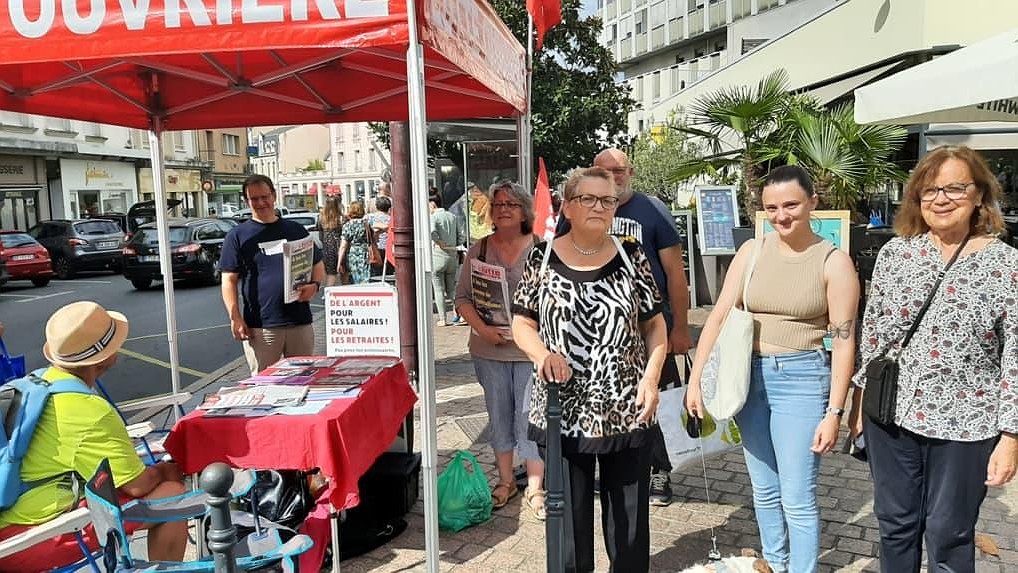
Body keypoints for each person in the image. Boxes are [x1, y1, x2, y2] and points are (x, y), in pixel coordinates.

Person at [850, 146, 1018, 573]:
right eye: (929, 190)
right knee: (895, 525)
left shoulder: (1006, 264)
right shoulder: (896, 255)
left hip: (968, 423)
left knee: (949, 531)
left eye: (954, 188)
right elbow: (873, 337)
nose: (940, 199)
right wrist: (858, 406)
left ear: (979, 195)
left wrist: (1011, 438)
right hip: (892, 416)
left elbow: (1015, 354)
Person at [685, 165, 859, 573]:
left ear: (813, 202)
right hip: (748, 378)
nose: (782, 215)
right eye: (772, 207)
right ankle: (776, 565)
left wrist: (835, 412)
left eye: (791, 205)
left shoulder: (833, 262)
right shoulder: (752, 251)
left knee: (797, 495)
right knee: (763, 489)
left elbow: (845, 340)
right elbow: (719, 315)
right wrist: (696, 378)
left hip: (801, 379)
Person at [512, 167, 667, 572]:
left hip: (626, 409)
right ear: (568, 205)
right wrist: (541, 354)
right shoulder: (541, 255)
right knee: (568, 532)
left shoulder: (632, 254)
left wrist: (652, 378)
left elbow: (655, 325)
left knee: (629, 528)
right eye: (590, 199)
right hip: (562, 410)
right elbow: (521, 322)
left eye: (608, 200)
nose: (600, 207)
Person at [0, 301, 188, 570]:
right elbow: (137, 486)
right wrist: (165, 471)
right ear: (104, 357)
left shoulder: (37, 383)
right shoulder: (90, 410)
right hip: (27, 539)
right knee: (173, 495)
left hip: (11, 517)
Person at [584, 147, 694, 506]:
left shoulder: (653, 212)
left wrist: (681, 328)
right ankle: (614, 463)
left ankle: (660, 470)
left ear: (630, 172)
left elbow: (677, 275)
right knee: (606, 396)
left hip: (650, 325)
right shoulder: (581, 209)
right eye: (604, 170)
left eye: (619, 170)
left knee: (658, 399)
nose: (613, 176)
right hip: (598, 328)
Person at [454, 181, 545, 519]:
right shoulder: (478, 250)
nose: (503, 209)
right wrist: (483, 329)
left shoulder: (541, 249)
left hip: (529, 352)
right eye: (497, 204)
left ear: (524, 210)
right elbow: (461, 298)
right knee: (499, 416)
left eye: (511, 204)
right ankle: (506, 482)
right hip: (488, 349)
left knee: (529, 418)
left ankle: (536, 486)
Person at [220, 174, 325, 375]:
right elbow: (228, 280)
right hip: (261, 327)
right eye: (254, 199)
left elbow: (317, 265)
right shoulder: (237, 236)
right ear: (246, 201)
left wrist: (315, 286)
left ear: (274, 196)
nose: (261, 203)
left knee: (304, 380)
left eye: (264, 196)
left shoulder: (295, 229)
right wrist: (235, 317)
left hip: (299, 321)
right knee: (264, 385)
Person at [430, 193, 465, 326]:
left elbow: (432, 232)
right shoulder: (452, 216)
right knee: (452, 289)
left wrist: (439, 242)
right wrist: (453, 245)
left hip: (438, 255)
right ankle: (461, 314)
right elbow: (462, 236)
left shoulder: (433, 217)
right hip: (452, 256)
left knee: (439, 289)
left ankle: (442, 318)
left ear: (432, 204)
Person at [339, 201, 372, 285]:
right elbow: (373, 239)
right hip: (365, 252)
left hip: (352, 254)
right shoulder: (366, 224)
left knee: (354, 278)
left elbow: (343, 246)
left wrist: (339, 262)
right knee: (366, 277)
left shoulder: (347, 225)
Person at [319, 197, 344, 288]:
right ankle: (344, 290)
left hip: (327, 246)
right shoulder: (340, 217)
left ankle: (328, 290)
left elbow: (320, 234)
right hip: (339, 245)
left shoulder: (322, 217)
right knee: (343, 271)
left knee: (330, 272)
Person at [367, 196, 392, 276]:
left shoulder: (369, 218)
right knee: (388, 274)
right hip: (388, 249)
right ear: (389, 207)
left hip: (374, 250)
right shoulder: (391, 219)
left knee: (375, 275)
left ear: (377, 206)